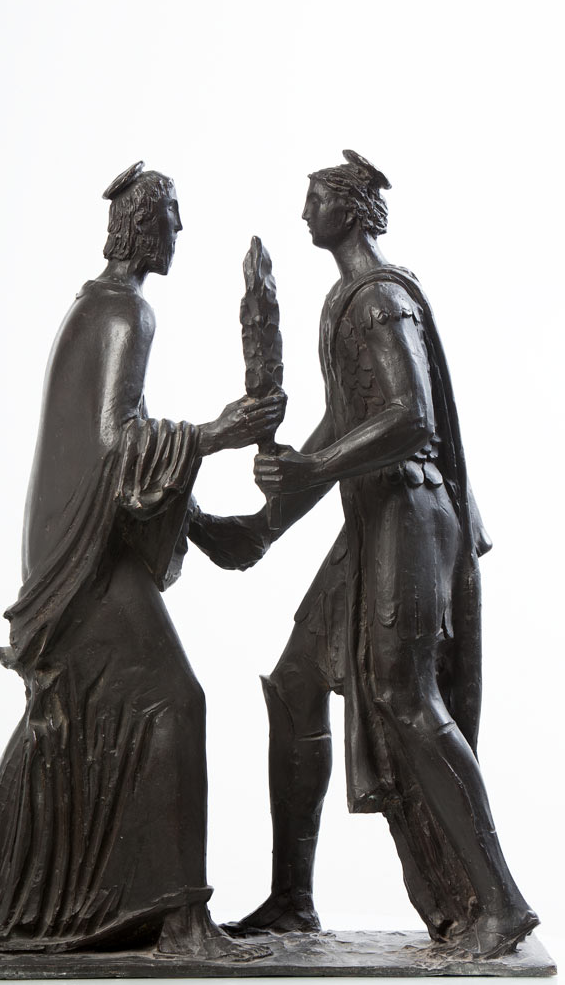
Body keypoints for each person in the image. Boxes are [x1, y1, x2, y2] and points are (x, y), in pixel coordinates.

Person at [189, 151, 538, 960]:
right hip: (374, 519)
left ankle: (502, 903)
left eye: (314, 200)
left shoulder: (379, 300)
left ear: (349, 209)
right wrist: (268, 522)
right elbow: (344, 425)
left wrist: (312, 468)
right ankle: (292, 900)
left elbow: (412, 419)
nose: (303, 212)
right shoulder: (346, 300)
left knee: (406, 698)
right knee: (295, 683)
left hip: (410, 514)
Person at [0, 162, 284, 960]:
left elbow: (118, 452)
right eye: (171, 216)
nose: (180, 231)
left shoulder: (95, 306)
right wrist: (216, 434)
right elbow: (110, 445)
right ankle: (183, 924)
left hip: (75, 547)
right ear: (140, 225)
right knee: (173, 700)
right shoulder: (126, 311)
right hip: (81, 563)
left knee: (73, 708)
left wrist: (204, 526)